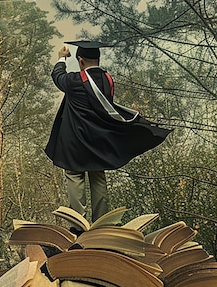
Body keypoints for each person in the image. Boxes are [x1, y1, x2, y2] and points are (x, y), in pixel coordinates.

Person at [44, 40, 171, 224]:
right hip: (98, 140)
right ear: (98, 58)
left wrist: (62, 59)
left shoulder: (75, 81)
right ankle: (102, 223)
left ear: (80, 60)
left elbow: (58, 76)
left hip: (75, 141)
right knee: (98, 177)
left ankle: (79, 225)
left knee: (74, 176)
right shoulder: (107, 79)